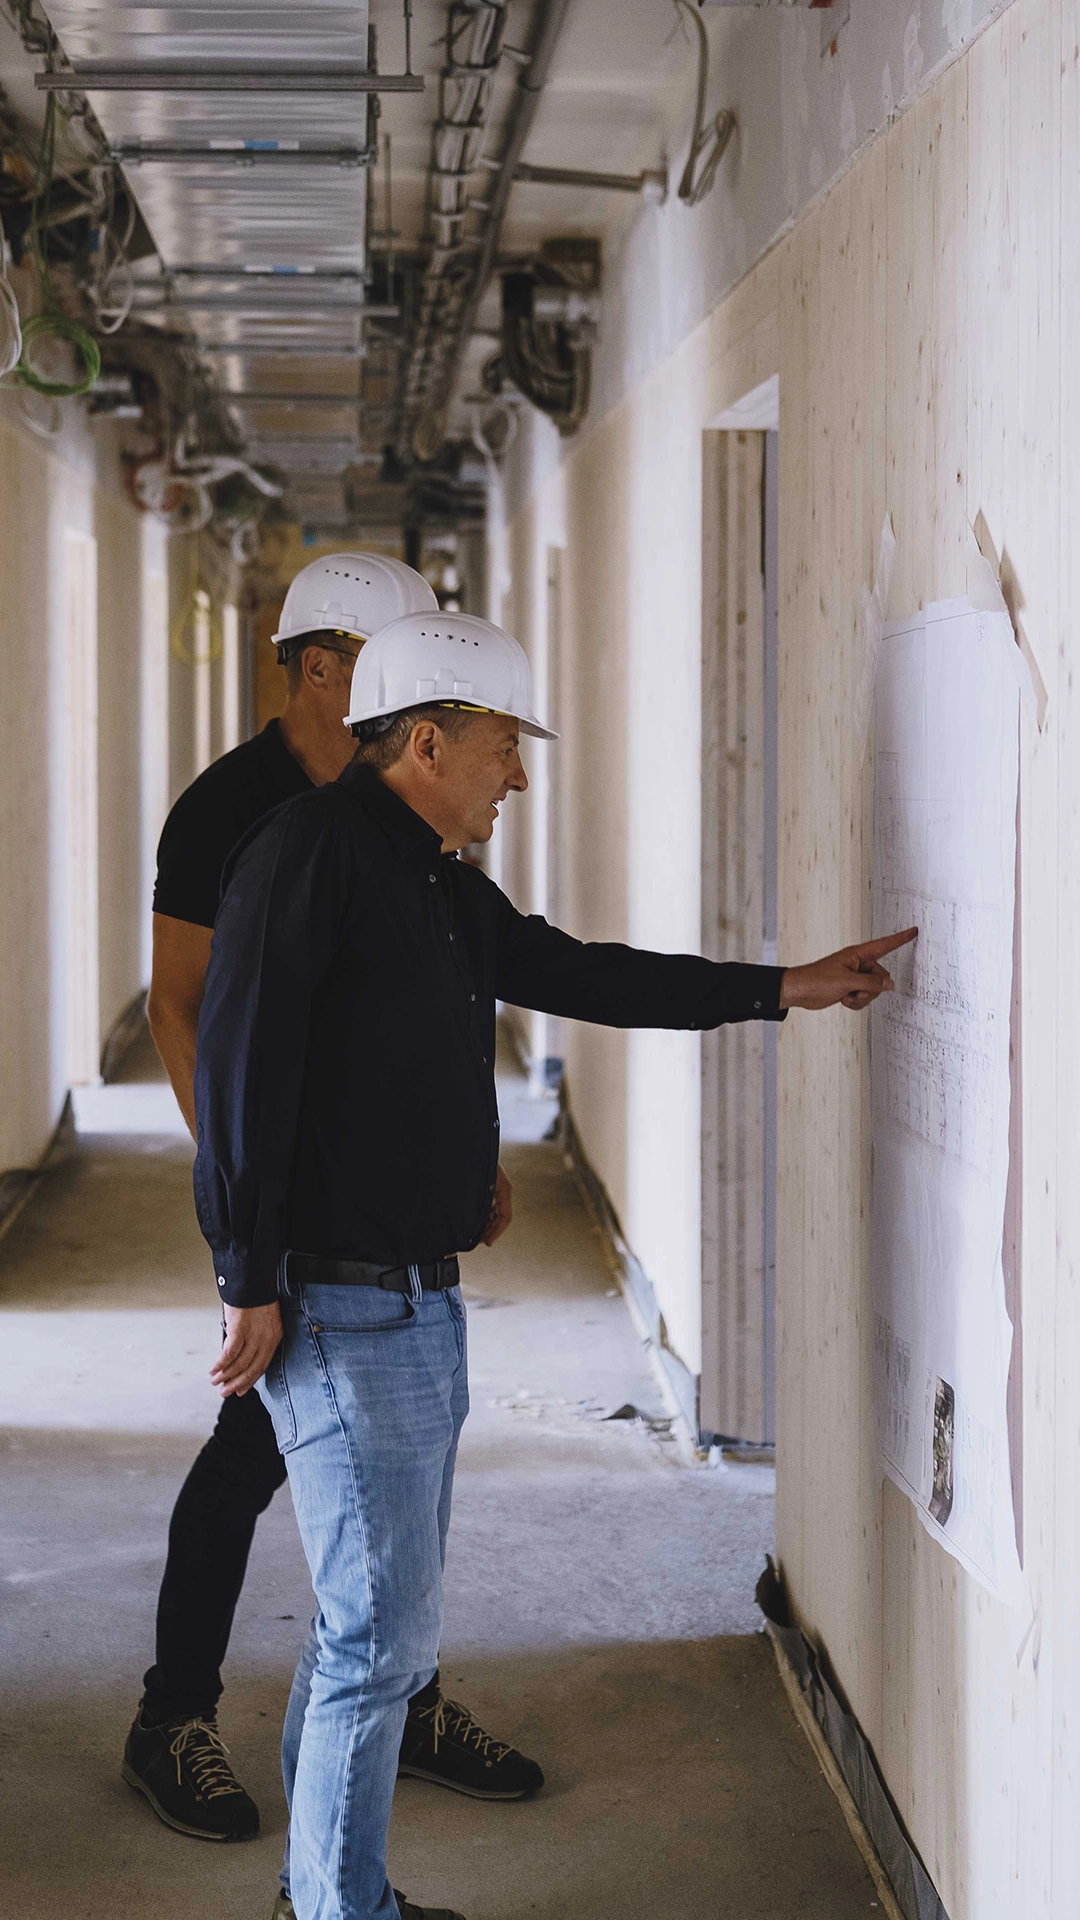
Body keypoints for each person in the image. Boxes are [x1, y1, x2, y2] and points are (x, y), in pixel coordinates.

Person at [192, 608, 917, 1920]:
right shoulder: (310, 853)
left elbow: (569, 972)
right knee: (376, 1639)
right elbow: (245, 1065)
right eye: (502, 747)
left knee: (374, 1628)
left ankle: (327, 1890)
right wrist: (246, 1271)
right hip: (346, 1306)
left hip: (412, 1301)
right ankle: (338, 1908)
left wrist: (782, 986)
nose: (518, 774)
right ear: (426, 740)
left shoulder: (428, 873)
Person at [123, 558, 535, 1851]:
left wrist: (442, 1148)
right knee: (250, 1448)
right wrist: (253, 1213)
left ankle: (389, 1697)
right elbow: (193, 1011)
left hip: (366, 1198)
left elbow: (422, 992)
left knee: (365, 1493)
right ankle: (173, 1717)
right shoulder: (235, 811)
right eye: (395, 651)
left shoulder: (400, 820)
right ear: (321, 666)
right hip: (286, 1210)